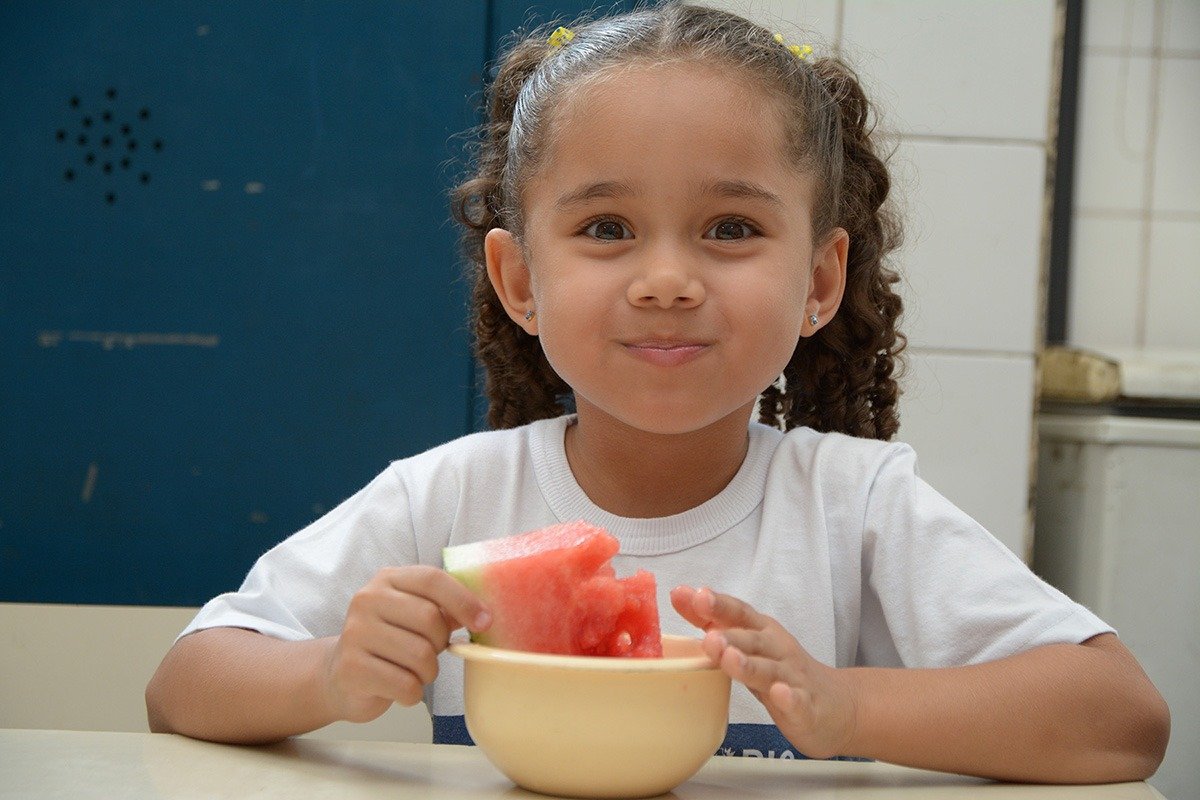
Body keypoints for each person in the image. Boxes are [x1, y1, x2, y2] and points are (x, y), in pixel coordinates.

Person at [145, 3, 1169, 783]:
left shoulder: (855, 503)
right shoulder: (448, 498)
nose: (667, 277)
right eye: (605, 229)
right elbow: (182, 685)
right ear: (519, 282)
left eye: (730, 228)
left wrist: (847, 705)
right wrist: (329, 672)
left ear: (819, 281)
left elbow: (1122, 715)